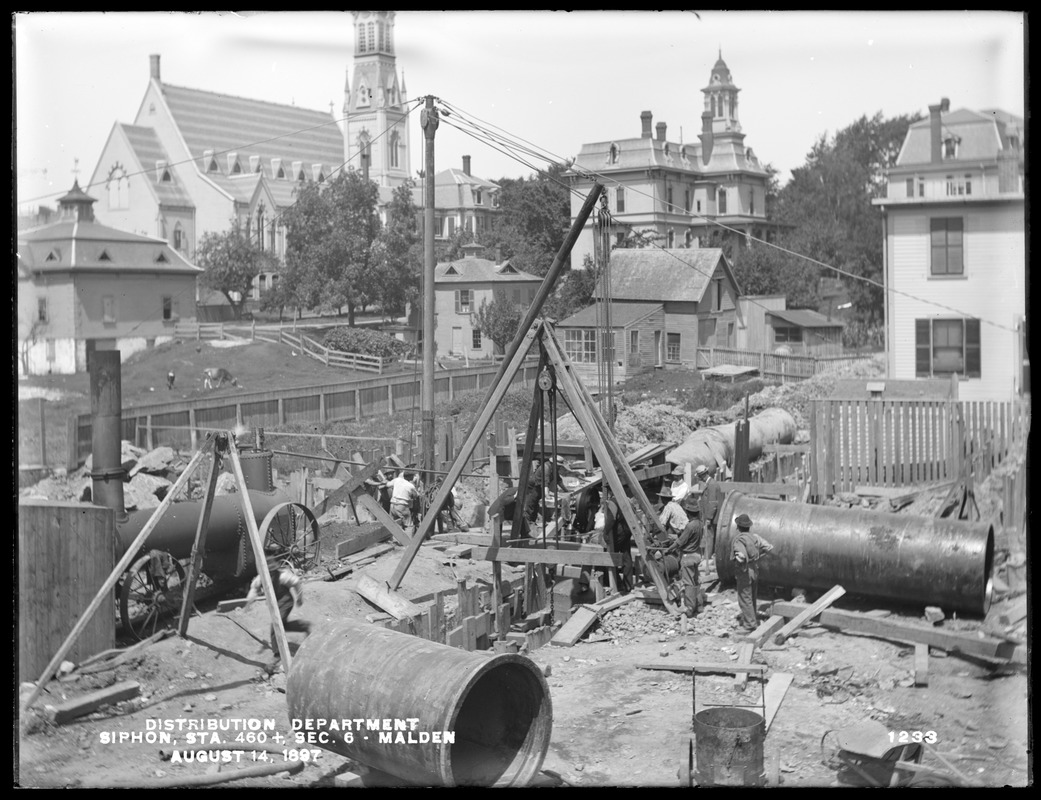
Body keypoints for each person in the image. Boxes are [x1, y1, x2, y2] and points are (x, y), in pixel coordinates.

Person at [245, 563, 304, 661]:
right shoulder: (261, 578)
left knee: (276, 626)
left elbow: (296, 582)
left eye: (272, 571)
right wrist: (248, 603)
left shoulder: (283, 576)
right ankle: (301, 626)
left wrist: (299, 598)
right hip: (275, 604)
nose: (271, 573)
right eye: (269, 571)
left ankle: (277, 654)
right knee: (281, 625)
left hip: (286, 602)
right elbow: (254, 589)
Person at [731, 513, 774, 631]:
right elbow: (769, 547)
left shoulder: (739, 540)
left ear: (738, 527)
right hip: (755, 570)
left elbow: (740, 556)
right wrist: (758, 557)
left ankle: (750, 625)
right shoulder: (755, 537)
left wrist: (743, 559)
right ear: (749, 526)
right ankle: (752, 618)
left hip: (744, 571)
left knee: (745, 598)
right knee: (752, 597)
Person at [697, 464, 725, 559]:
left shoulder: (712, 485)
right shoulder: (711, 483)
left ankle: (707, 558)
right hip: (713, 517)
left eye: (699, 477)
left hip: (712, 518)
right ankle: (711, 555)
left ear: (702, 475)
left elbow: (713, 503)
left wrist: (708, 518)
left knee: (709, 536)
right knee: (711, 536)